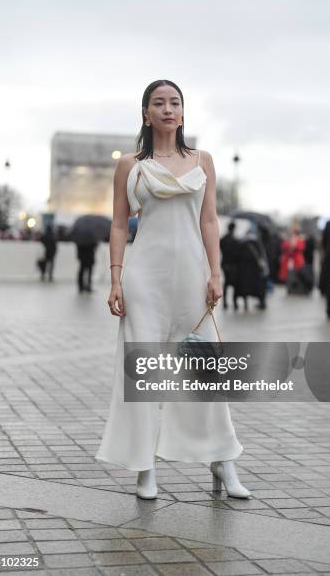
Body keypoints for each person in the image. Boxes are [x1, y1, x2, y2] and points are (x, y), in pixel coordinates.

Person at [95, 79, 250, 500]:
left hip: (192, 276)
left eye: (174, 102)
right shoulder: (130, 164)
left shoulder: (203, 160)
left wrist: (215, 273)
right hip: (144, 276)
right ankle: (144, 467)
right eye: (158, 103)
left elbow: (209, 221)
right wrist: (114, 277)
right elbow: (119, 224)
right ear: (146, 113)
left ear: (183, 112)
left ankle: (222, 461)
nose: (168, 108)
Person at [220, 221, 240, 310]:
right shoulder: (236, 240)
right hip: (234, 265)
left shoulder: (223, 239)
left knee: (226, 283)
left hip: (225, 264)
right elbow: (238, 254)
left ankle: (224, 303)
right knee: (235, 284)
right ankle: (234, 302)